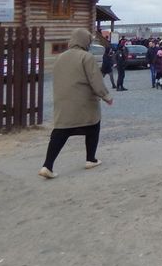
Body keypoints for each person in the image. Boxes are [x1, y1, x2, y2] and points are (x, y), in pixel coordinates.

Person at [38, 28, 113, 179]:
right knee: (93, 126)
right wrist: (106, 96)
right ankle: (90, 159)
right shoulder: (87, 57)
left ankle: (47, 165)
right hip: (84, 102)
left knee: (60, 132)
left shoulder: (60, 57)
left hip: (63, 102)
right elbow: (95, 80)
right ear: (85, 41)